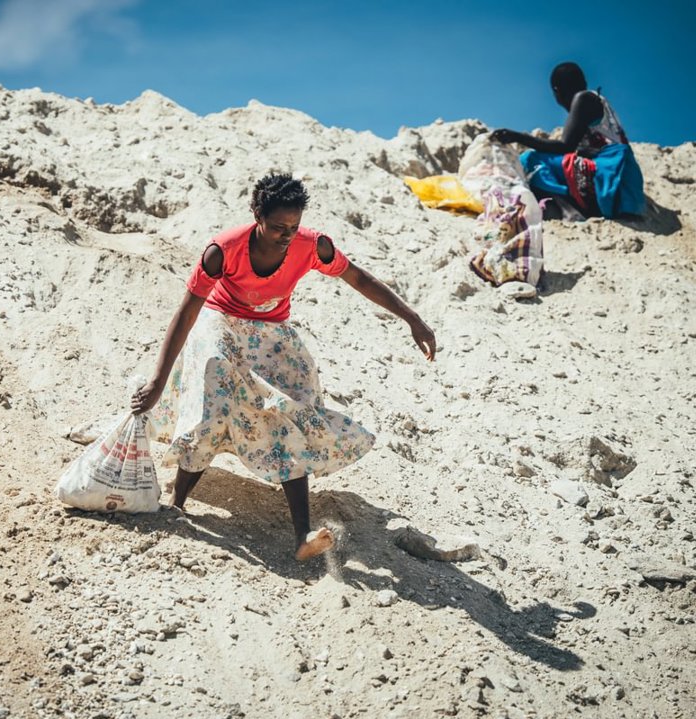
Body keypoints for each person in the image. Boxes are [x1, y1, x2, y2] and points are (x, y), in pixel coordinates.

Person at [130, 173, 436, 561]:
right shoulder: (222, 251)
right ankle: (178, 500)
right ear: (256, 214)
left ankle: (303, 535)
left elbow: (357, 277)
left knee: (288, 409)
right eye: (277, 227)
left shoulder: (313, 245)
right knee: (215, 396)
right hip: (219, 320)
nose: (286, 235)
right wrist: (158, 381)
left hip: (271, 330)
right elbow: (187, 312)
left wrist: (412, 318)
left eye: (293, 226)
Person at [492, 62, 645, 219]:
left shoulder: (583, 98)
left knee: (530, 159)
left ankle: (568, 211)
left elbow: (565, 146)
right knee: (560, 163)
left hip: (611, 172)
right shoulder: (598, 101)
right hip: (624, 182)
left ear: (557, 92)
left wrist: (518, 137)